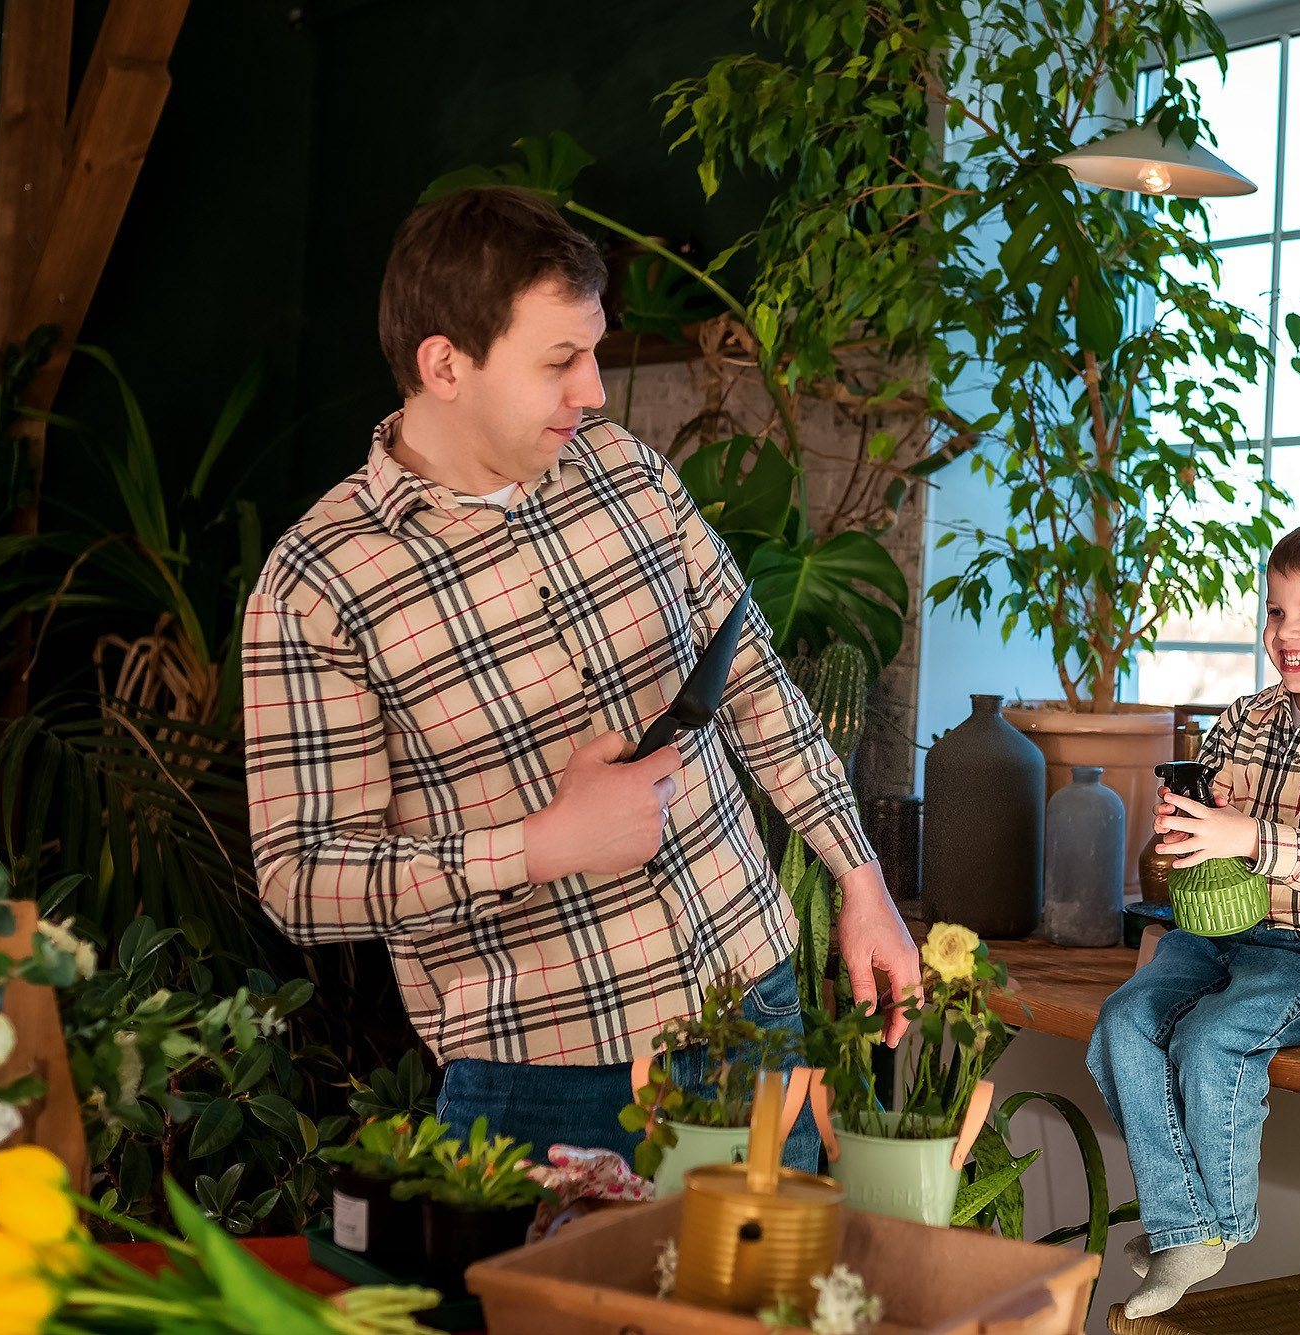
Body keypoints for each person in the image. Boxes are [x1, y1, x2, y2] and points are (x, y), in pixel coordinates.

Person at [240, 185, 919, 1173]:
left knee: (771, 1322)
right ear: (445, 365)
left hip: (751, 998)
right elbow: (299, 881)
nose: (592, 390)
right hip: (547, 1072)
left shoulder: (625, 468)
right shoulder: (319, 585)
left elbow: (752, 677)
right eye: (558, 360)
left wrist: (858, 879)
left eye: (592, 351)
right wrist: (539, 845)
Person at [1087, 509, 1300, 1318]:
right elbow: (1208, 840)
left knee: (1212, 1039)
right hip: (1219, 937)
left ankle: (1212, 1225)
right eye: (1277, 611)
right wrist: (1184, 834)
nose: (1287, 631)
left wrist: (1250, 836)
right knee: (1121, 1024)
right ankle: (1190, 1226)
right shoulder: (1241, 719)